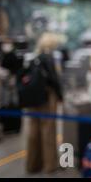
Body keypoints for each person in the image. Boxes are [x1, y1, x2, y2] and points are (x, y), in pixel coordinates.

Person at [26, 32, 63, 174]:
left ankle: (32, 165)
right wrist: (60, 96)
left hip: (32, 99)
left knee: (33, 132)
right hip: (47, 98)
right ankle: (50, 165)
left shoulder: (33, 57)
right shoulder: (49, 58)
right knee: (48, 130)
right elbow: (54, 80)